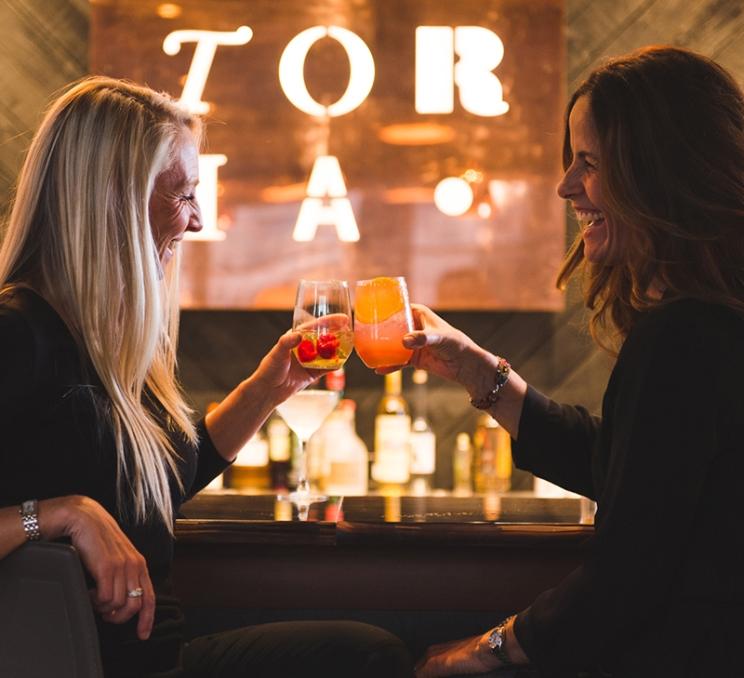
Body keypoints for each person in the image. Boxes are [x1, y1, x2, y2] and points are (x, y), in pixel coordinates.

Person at [0, 77, 413, 678]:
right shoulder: (16, 334)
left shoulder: (96, 339)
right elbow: (72, 504)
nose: (197, 222)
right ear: (113, 198)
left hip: (158, 658)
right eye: (185, 194)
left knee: (368, 651)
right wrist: (62, 514)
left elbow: (163, 479)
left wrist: (270, 387)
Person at [409, 46, 744, 677]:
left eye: (587, 164)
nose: (566, 187)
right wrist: (483, 375)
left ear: (660, 177)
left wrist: (488, 650)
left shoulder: (684, 337)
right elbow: (640, 471)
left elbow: (628, 576)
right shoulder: (715, 321)